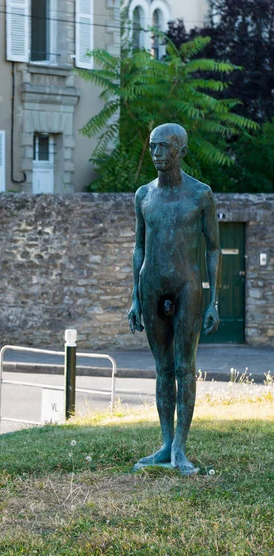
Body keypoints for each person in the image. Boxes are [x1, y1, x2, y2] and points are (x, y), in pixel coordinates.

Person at [128, 123, 221, 475]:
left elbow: (214, 249)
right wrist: (135, 297)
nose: (155, 154)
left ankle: (181, 448)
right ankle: (166, 443)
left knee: (185, 366)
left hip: (187, 286)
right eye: (152, 147)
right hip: (151, 285)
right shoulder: (143, 195)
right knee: (163, 368)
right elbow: (139, 248)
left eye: (163, 148)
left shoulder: (200, 195)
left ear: (180, 150)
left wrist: (214, 301)